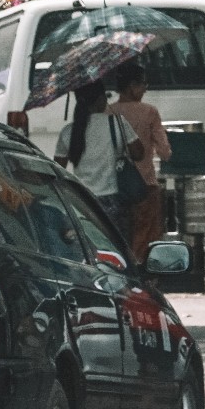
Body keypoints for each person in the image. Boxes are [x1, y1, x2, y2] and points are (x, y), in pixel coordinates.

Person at [54, 81, 144, 225]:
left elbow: (57, 169)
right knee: (118, 245)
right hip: (114, 201)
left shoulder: (68, 132)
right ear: (101, 99)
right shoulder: (116, 123)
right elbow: (139, 154)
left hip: (83, 202)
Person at [106, 62, 168, 263]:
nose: (144, 90)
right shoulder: (149, 112)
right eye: (143, 85)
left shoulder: (108, 112)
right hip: (145, 185)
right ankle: (143, 276)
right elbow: (165, 152)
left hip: (115, 185)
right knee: (145, 237)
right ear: (132, 86)